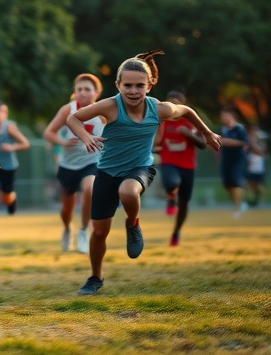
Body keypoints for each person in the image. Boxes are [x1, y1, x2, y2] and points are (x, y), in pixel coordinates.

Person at [67, 51, 220, 295]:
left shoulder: (159, 109)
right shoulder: (110, 106)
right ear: (118, 84)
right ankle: (95, 277)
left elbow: (187, 111)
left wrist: (208, 133)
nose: (133, 91)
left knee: (128, 191)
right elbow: (73, 118)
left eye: (140, 85)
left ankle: (132, 224)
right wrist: (86, 137)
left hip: (140, 167)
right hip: (107, 172)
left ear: (149, 85)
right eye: (127, 85)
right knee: (99, 232)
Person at [43, 74, 105, 253]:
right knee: (67, 208)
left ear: (97, 92)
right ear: (75, 92)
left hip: (91, 162)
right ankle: (67, 228)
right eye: (79, 89)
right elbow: (49, 133)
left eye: (87, 89)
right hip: (68, 165)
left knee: (90, 189)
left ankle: (84, 230)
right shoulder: (67, 110)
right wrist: (63, 142)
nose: (83, 93)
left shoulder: (104, 112)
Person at [152, 91, 207, 246]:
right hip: (168, 162)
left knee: (184, 203)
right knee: (171, 183)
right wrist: (154, 148)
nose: (174, 106)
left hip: (188, 166)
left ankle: (176, 231)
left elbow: (203, 144)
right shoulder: (162, 122)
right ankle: (171, 197)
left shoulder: (190, 121)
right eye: (171, 102)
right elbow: (155, 143)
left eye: (177, 103)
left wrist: (189, 134)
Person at [0, 100, 30, 234]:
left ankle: (12, 201)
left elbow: (25, 143)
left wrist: (12, 147)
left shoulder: (9, 127)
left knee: (5, 198)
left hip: (8, 167)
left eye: (0, 111)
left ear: (5, 114)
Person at [218, 105, 250, 218]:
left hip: (237, 160)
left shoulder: (239, 129)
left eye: (224, 116)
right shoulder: (222, 129)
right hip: (225, 160)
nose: (222, 118)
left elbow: (244, 142)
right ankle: (242, 201)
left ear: (231, 116)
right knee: (227, 184)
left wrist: (226, 141)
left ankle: (237, 208)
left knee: (236, 183)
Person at [245, 124, 266, 207]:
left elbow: (258, 150)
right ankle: (250, 201)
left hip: (257, 165)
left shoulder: (259, 139)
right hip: (251, 163)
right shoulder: (249, 139)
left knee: (257, 184)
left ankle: (259, 200)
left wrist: (252, 139)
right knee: (249, 183)